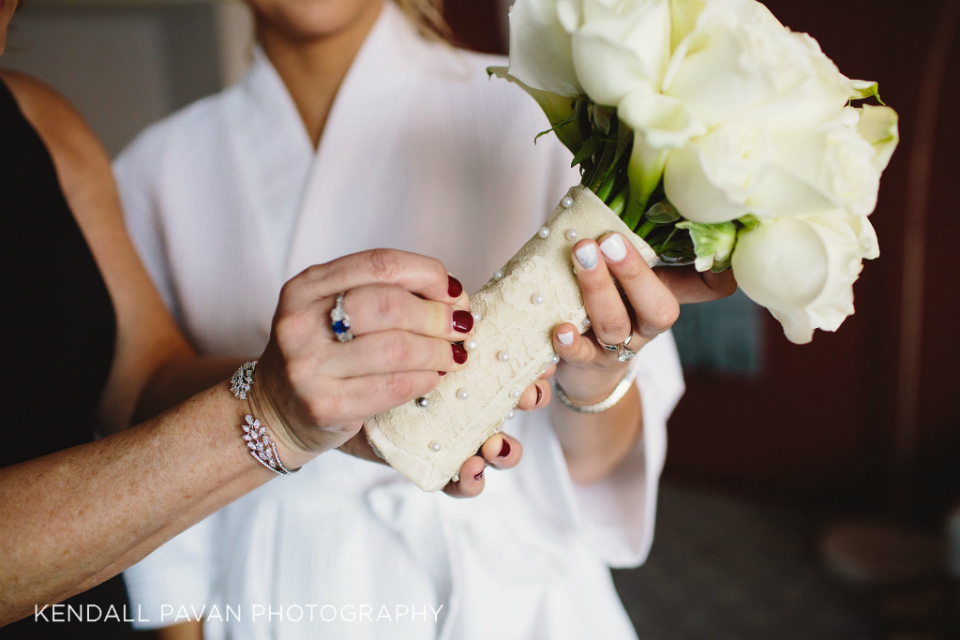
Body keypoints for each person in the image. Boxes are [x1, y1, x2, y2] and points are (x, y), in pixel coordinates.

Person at [114, 0, 736, 638]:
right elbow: (149, 449)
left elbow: (603, 473)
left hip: (509, 598)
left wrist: (596, 374)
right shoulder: (152, 172)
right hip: (277, 592)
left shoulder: (551, 113)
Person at [0, 0, 529, 634]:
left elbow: (141, 388)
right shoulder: (161, 161)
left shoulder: (46, 125)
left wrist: (326, 398)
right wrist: (270, 417)